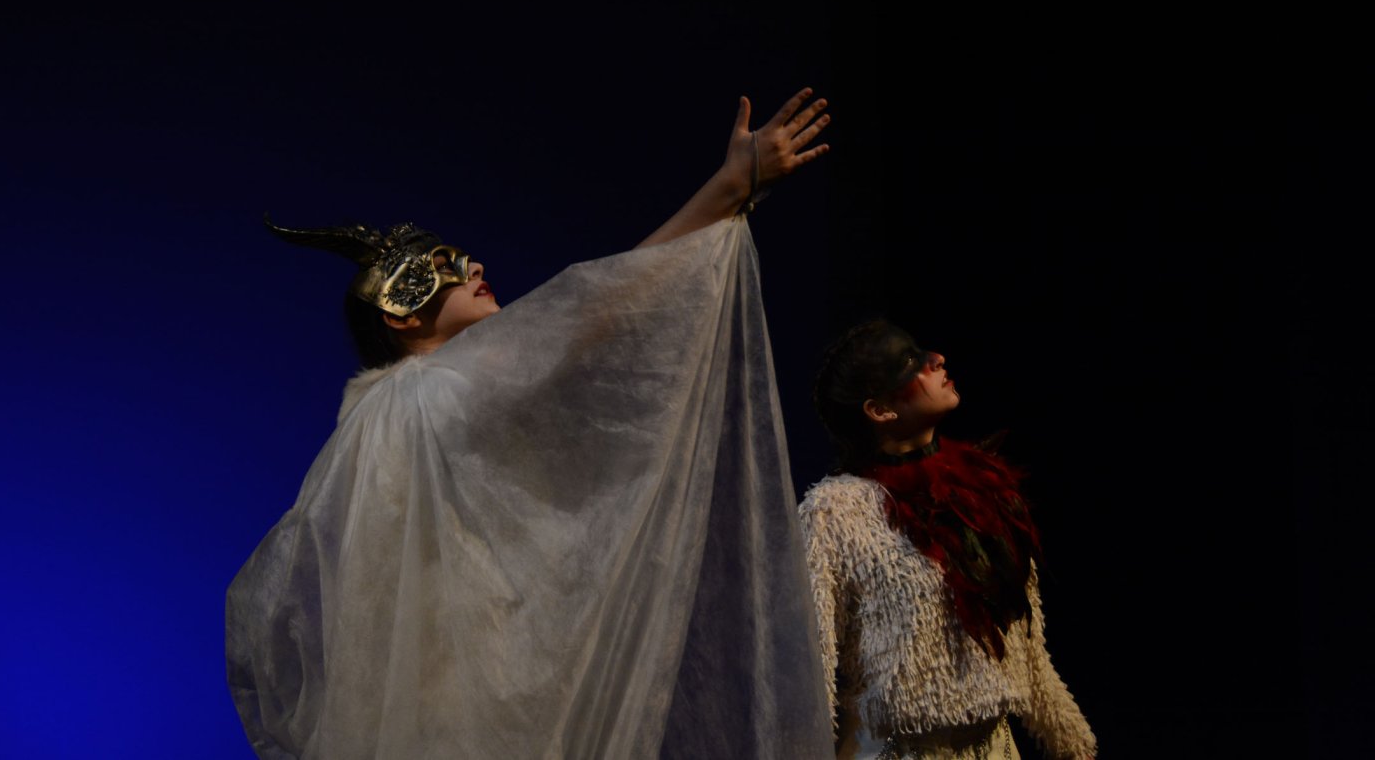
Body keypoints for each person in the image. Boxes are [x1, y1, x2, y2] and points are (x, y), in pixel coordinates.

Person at [226, 90, 837, 759]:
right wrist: (727, 188)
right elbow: (598, 316)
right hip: (470, 702)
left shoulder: (372, 421)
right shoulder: (429, 393)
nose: (475, 267)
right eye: (443, 268)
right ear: (402, 314)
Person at [800, 320, 1097, 760]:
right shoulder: (834, 511)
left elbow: (1029, 649)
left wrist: (1073, 745)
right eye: (909, 362)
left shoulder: (982, 491)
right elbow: (814, 663)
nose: (937, 359)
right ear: (879, 410)